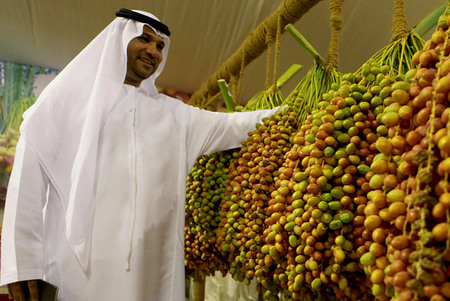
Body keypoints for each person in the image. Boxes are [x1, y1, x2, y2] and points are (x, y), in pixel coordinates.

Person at [0, 9, 278, 300]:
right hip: (79, 270)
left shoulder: (174, 115)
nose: (153, 50)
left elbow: (234, 126)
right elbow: (27, 184)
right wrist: (22, 263)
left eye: (160, 45)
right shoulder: (67, 103)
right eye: (143, 39)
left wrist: (298, 109)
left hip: (151, 271)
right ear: (119, 40)